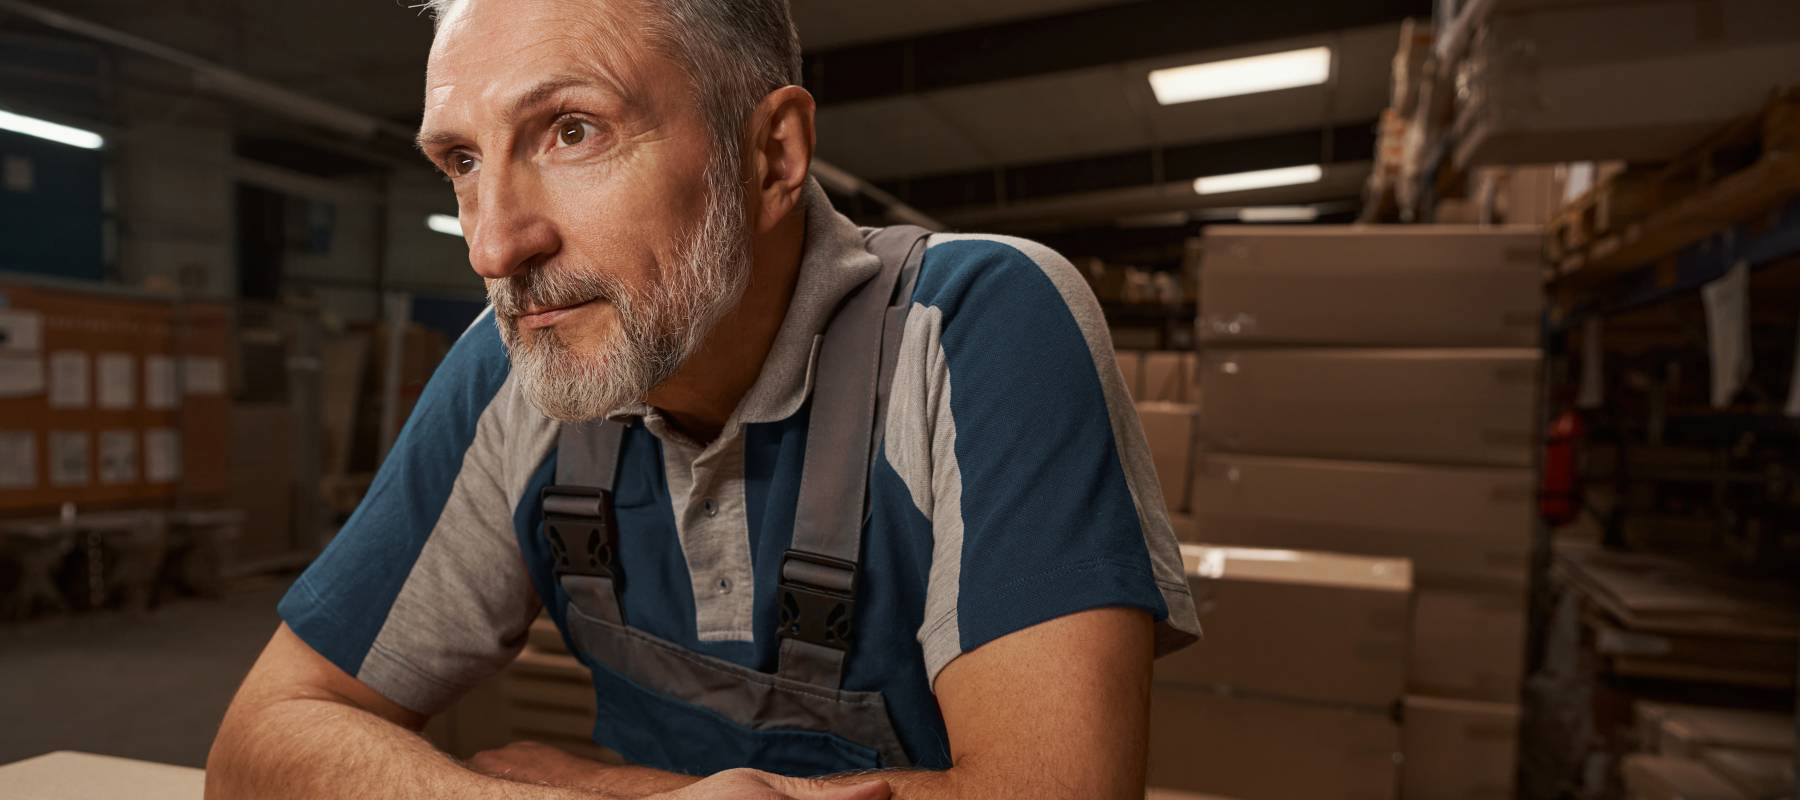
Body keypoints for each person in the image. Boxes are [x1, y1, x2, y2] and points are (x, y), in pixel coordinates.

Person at [205, 0, 1198, 797]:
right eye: (463, 160)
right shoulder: (511, 370)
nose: (493, 247)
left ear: (770, 154)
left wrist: (607, 787)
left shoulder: (977, 324)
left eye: (572, 130)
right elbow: (258, 741)